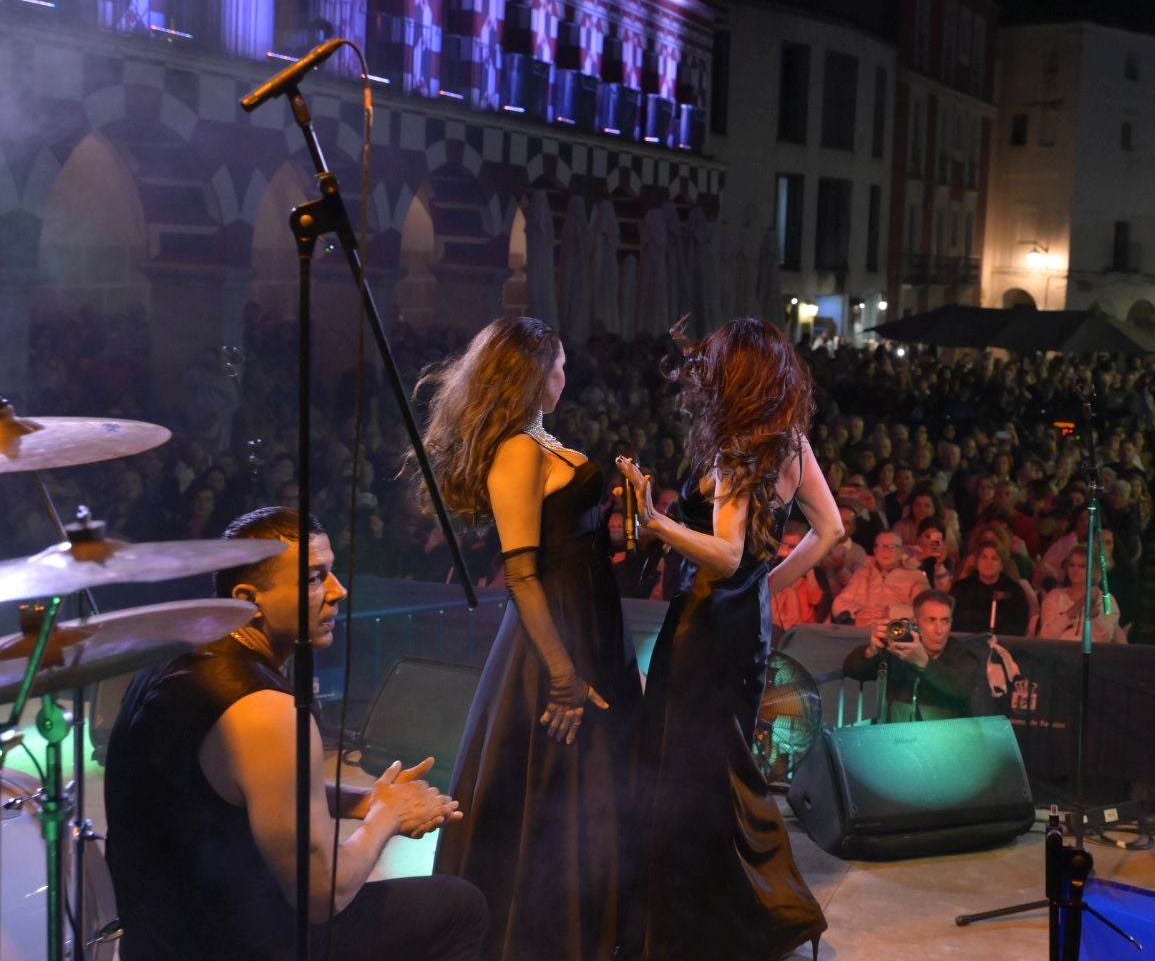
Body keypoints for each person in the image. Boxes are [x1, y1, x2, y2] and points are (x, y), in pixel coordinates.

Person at [105, 507, 486, 960]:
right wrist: (387, 816)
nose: (338, 591)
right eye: (313, 578)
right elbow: (324, 895)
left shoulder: (175, 655)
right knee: (461, 906)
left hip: (160, 940)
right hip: (235, 946)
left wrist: (362, 800)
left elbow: (250, 787)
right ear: (250, 597)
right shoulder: (266, 711)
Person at [617, 317, 841, 961]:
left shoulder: (739, 449)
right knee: (722, 772)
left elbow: (722, 553)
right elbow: (830, 531)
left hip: (708, 626)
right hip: (747, 627)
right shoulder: (789, 443)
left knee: (692, 774)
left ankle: (717, 923)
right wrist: (767, 589)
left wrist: (656, 521)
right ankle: (732, 919)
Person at [419, 316, 642, 961]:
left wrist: (634, 520)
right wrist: (564, 675)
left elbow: (580, 543)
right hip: (552, 640)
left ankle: (593, 932)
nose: (566, 377)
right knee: (552, 793)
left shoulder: (543, 443)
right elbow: (521, 571)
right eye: (560, 366)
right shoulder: (517, 450)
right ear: (533, 374)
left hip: (591, 620)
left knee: (594, 789)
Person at [841, 590, 983, 722]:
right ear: (915, 622)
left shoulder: (963, 655)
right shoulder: (899, 650)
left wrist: (924, 663)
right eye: (931, 620)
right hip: (899, 738)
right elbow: (851, 670)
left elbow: (961, 688)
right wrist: (871, 651)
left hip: (944, 740)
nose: (939, 630)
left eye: (945, 621)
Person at [831, 531, 928, 626]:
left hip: (897, 631)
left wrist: (890, 612)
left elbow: (926, 609)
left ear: (901, 551)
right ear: (875, 551)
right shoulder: (862, 573)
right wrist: (858, 612)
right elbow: (838, 603)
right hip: (863, 630)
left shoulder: (915, 576)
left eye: (892, 547)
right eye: (881, 546)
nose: (886, 551)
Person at [1039, 549, 1129, 643]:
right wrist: (1074, 608)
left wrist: (1095, 613)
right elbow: (1046, 635)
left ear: (1094, 570)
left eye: (1082, 566)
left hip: (1094, 653)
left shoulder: (1107, 600)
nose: (1075, 570)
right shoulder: (1055, 596)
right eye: (1072, 565)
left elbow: (1106, 636)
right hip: (1059, 652)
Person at [951, 539, 1035, 636]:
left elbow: (1018, 624)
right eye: (984, 557)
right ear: (977, 561)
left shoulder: (1014, 591)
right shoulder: (961, 588)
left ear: (1001, 564)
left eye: (994, 558)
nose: (988, 563)